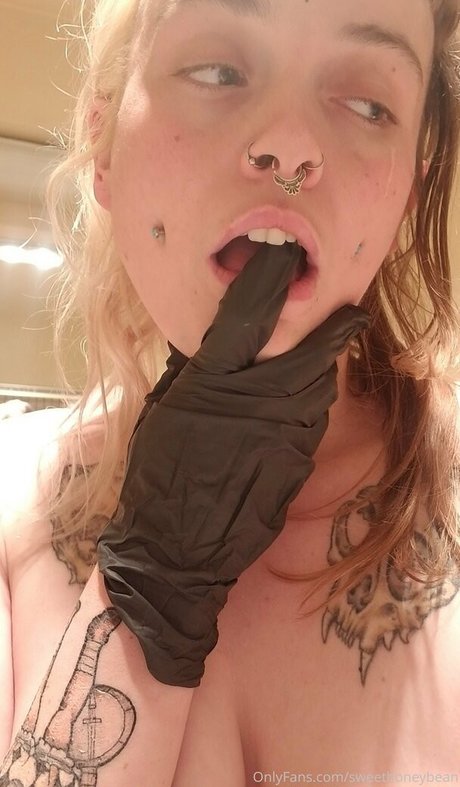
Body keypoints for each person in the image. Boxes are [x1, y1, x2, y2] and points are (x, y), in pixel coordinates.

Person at [1, 0, 460, 784]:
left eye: (366, 103)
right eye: (219, 70)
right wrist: (155, 571)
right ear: (102, 145)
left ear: (405, 199)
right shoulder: (12, 497)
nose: (292, 150)